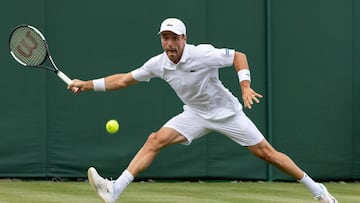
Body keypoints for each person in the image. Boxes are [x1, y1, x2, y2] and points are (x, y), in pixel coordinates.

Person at [68, 18, 337, 203]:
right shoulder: (158, 63)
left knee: (269, 155)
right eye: (165, 38)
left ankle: (319, 192)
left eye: (174, 38)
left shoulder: (202, 54)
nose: (169, 43)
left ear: (184, 38)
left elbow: (238, 56)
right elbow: (124, 79)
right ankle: (114, 190)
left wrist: (245, 86)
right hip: (195, 114)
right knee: (155, 140)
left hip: (227, 113)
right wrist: (87, 85)